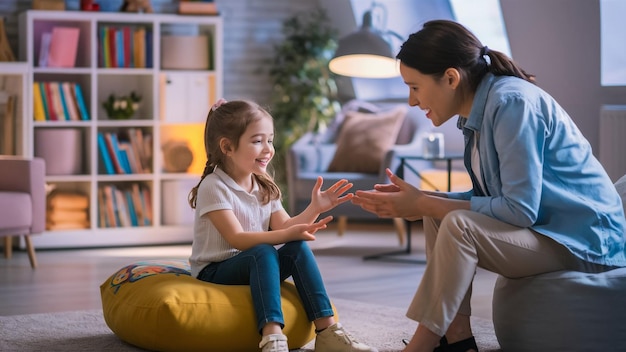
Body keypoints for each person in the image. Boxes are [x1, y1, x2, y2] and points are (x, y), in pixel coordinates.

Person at [351, 19, 626, 352]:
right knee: (439, 215)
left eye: (415, 87)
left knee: (457, 223)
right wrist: (422, 199)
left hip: (585, 243)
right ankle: (458, 340)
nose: (411, 101)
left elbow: (519, 210)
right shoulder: (479, 112)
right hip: (551, 231)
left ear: (451, 78)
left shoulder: (511, 104)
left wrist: (425, 202)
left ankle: (422, 345)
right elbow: (489, 199)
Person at [188, 98, 378, 352]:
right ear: (227, 147)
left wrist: (315, 208)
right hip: (215, 270)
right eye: (257, 141)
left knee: (296, 247)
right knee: (263, 251)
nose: (268, 149)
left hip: (254, 263)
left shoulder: (264, 185)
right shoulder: (214, 186)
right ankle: (273, 337)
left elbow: (287, 225)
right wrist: (285, 233)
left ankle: (328, 331)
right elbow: (237, 238)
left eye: (270, 139)